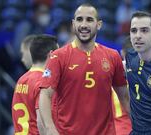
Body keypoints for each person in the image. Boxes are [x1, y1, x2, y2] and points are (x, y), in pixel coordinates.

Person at [39, 3, 129, 135]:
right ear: (73, 24)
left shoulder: (112, 56)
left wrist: (145, 127)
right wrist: (49, 128)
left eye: (89, 20)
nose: (84, 25)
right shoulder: (58, 56)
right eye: (80, 19)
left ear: (99, 25)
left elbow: (125, 98)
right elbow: (45, 95)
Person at [12, 34, 59, 135]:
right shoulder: (43, 81)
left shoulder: (22, 79)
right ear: (51, 55)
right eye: (58, 54)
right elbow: (41, 121)